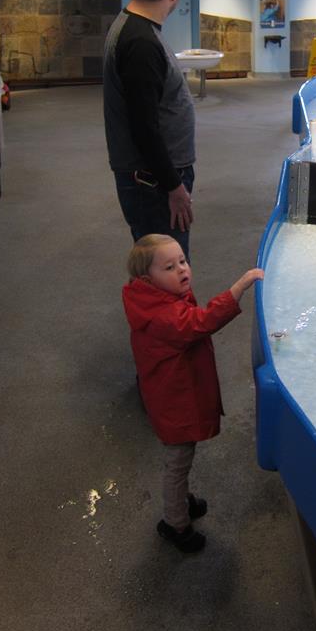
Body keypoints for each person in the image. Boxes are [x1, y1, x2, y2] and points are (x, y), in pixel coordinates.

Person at [123, 233, 264, 553]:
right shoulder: (164, 316)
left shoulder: (156, 300)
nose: (182, 269)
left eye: (183, 261)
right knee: (177, 464)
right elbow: (201, 321)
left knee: (180, 460)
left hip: (172, 397)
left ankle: (182, 502)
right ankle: (175, 524)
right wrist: (239, 287)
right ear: (147, 280)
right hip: (174, 404)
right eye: (169, 267)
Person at [103, 0, 195, 255]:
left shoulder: (136, 28)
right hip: (152, 183)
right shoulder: (141, 42)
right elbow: (144, 127)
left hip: (152, 178)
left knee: (159, 266)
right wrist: (174, 186)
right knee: (166, 267)